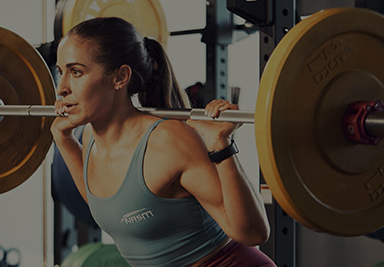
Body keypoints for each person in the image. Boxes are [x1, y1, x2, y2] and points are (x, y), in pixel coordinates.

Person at [51, 17, 275, 267]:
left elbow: (253, 233)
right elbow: (103, 202)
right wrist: (63, 139)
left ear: (120, 77)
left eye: (76, 72)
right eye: (61, 72)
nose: (61, 88)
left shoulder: (168, 141)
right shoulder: (91, 138)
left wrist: (221, 144)